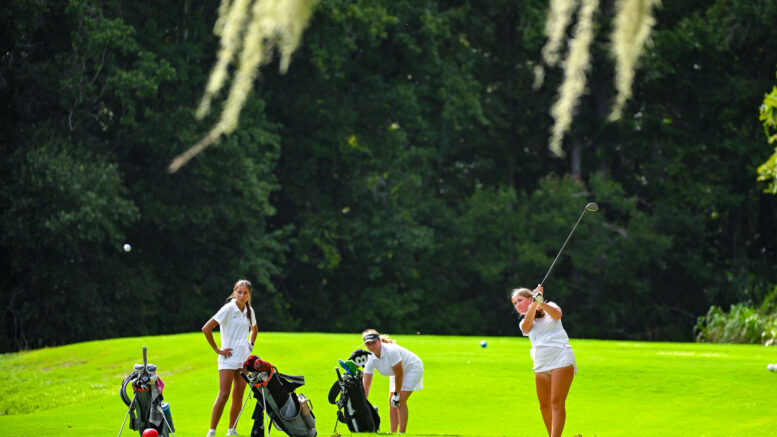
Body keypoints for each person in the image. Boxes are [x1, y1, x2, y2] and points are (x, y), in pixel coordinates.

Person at [511, 285, 576, 437]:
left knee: (556, 402)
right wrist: (534, 303)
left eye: (520, 300)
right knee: (544, 406)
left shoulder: (550, 306)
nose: (517, 305)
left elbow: (557, 315)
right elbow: (527, 328)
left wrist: (540, 301)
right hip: (541, 364)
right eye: (514, 303)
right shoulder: (524, 321)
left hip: (561, 357)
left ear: (529, 298)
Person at [202, 279, 258, 437]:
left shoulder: (249, 310)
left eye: (245, 292)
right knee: (224, 395)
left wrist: (251, 344)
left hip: (244, 360)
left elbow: (254, 328)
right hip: (228, 360)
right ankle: (211, 432)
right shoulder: (228, 309)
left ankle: (231, 431)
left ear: (249, 294)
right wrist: (217, 350)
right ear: (234, 292)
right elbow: (206, 328)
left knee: (238, 395)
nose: (241, 295)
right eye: (239, 292)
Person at [360, 329, 423, 434]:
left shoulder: (391, 351)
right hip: (397, 372)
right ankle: (393, 433)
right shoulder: (369, 357)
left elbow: (399, 374)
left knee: (400, 400)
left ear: (379, 341)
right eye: (368, 344)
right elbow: (366, 384)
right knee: (391, 401)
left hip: (412, 367)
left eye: (373, 343)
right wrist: (362, 403)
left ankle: (401, 433)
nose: (371, 346)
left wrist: (397, 394)